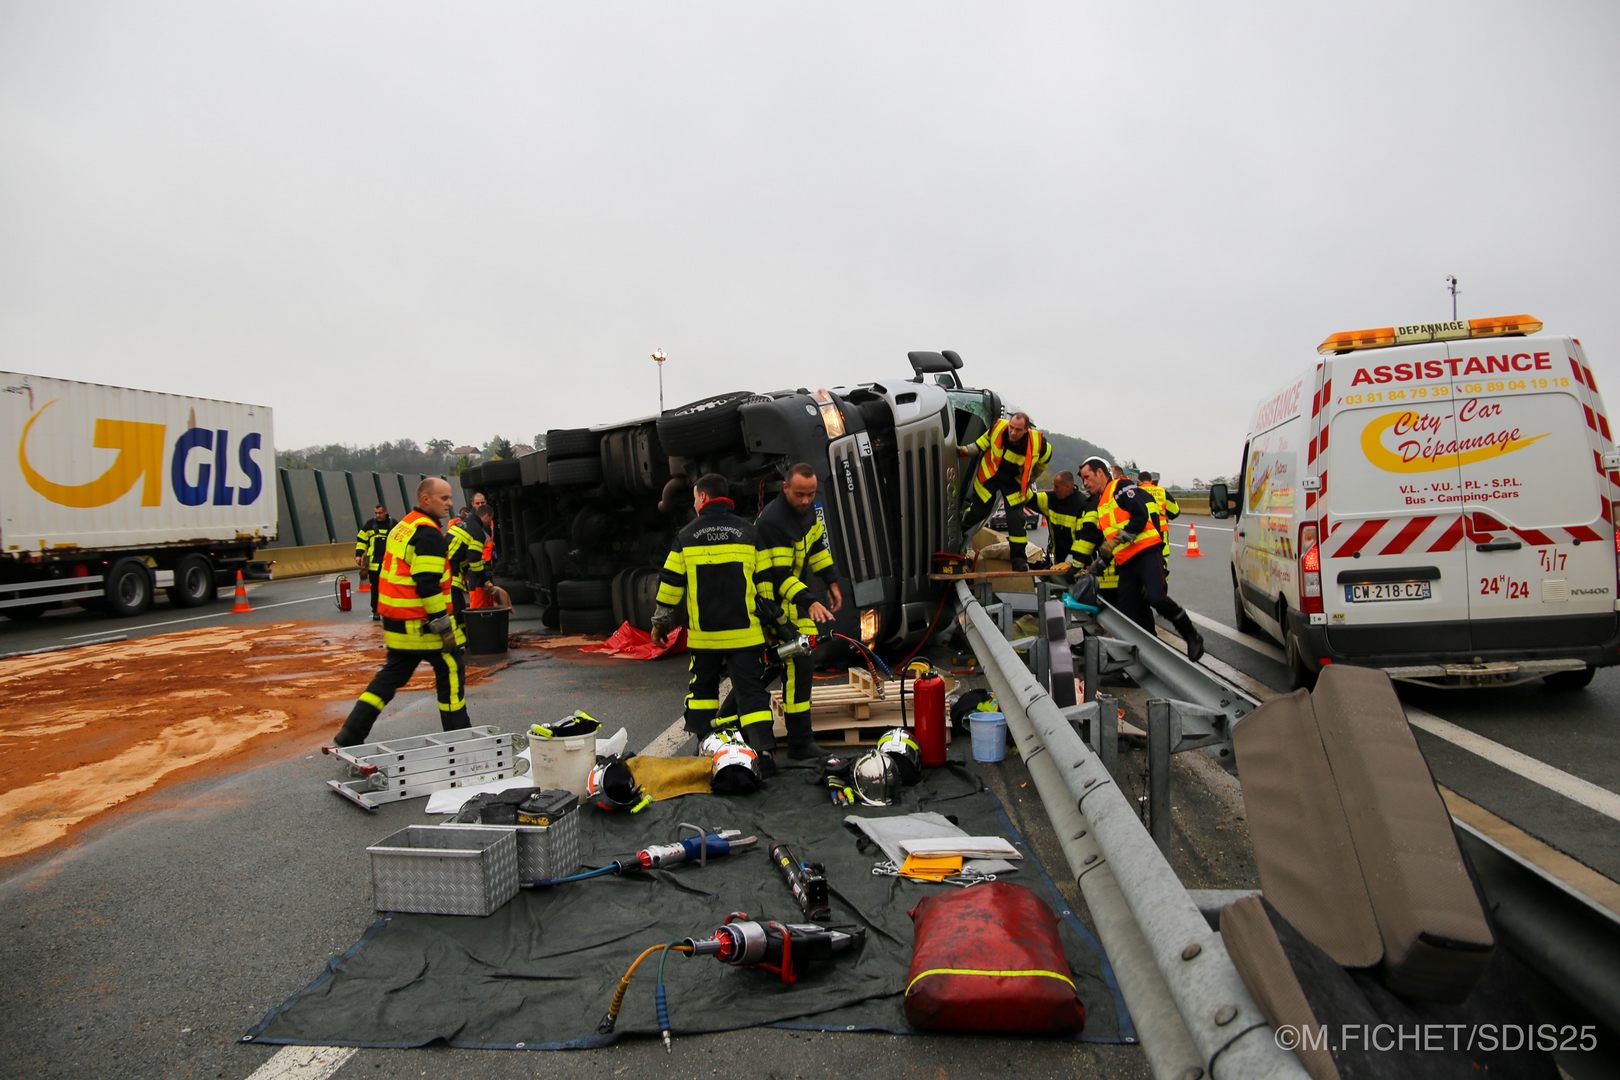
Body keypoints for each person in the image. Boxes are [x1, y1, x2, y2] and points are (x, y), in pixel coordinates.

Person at [329, 478, 472, 747]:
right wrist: (442, 626)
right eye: (444, 498)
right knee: (451, 668)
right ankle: (461, 738)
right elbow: (427, 583)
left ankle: (350, 734)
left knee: (389, 678)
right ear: (426, 499)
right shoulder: (428, 534)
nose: (450, 504)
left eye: (450, 497)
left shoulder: (403, 526)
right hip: (420, 625)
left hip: (395, 622)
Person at [650, 474, 776, 765]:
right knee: (752, 695)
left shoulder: (685, 536)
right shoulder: (749, 532)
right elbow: (765, 584)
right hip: (746, 637)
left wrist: (660, 623)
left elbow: (670, 584)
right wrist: (770, 626)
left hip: (705, 639)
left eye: (695, 497)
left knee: (703, 692)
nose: (694, 503)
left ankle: (705, 749)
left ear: (704, 498)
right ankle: (764, 751)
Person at [755, 463, 844, 759]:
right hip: (771, 606)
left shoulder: (806, 512)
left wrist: (831, 581)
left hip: (793, 602)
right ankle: (798, 742)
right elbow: (778, 576)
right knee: (775, 667)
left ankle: (801, 741)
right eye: (799, 494)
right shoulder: (773, 522)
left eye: (811, 494)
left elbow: (816, 547)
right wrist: (810, 601)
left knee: (798, 664)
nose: (806, 500)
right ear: (785, 488)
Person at [1077, 457, 1205, 662]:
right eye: (1082, 480)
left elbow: (1140, 515)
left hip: (1146, 553)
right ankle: (1138, 664)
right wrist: (1096, 567)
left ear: (1100, 473)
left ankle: (1192, 636)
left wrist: (1117, 538)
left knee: (1157, 598)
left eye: (1087, 477)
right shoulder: (1101, 504)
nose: (1085, 483)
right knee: (1128, 615)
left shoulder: (1120, 487)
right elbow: (1110, 546)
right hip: (1126, 562)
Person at [959, 411, 1051, 571]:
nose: (1013, 432)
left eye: (1018, 430)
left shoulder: (1038, 442)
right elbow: (982, 442)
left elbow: (1046, 458)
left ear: (1026, 430)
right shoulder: (998, 427)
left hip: (1014, 483)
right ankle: (960, 528)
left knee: (1016, 521)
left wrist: (1034, 476)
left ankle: (1019, 560)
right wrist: (967, 450)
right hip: (991, 476)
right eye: (1011, 428)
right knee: (979, 511)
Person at [1031, 470, 1088, 566]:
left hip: (1076, 563)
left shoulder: (1082, 504)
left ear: (1068, 487)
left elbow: (1083, 540)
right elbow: (1030, 498)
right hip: (1057, 560)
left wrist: (1072, 562)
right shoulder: (1050, 499)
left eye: (1057, 487)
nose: (1054, 489)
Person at [354, 503, 394, 621]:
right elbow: (361, 540)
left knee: (390, 589)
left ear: (385, 512)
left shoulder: (393, 524)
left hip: (389, 565)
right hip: (374, 565)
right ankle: (376, 611)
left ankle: (389, 611)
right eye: (376, 513)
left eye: (380, 513)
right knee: (375, 589)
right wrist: (358, 555)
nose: (377, 515)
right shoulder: (370, 525)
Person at [1138, 470, 1180, 569]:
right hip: (1160, 536)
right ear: (1151, 481)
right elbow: (1175, 512)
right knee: (1161, 570)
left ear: (1139, 481)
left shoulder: (1134, 492)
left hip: (1141, 537)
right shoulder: (1162, 491)